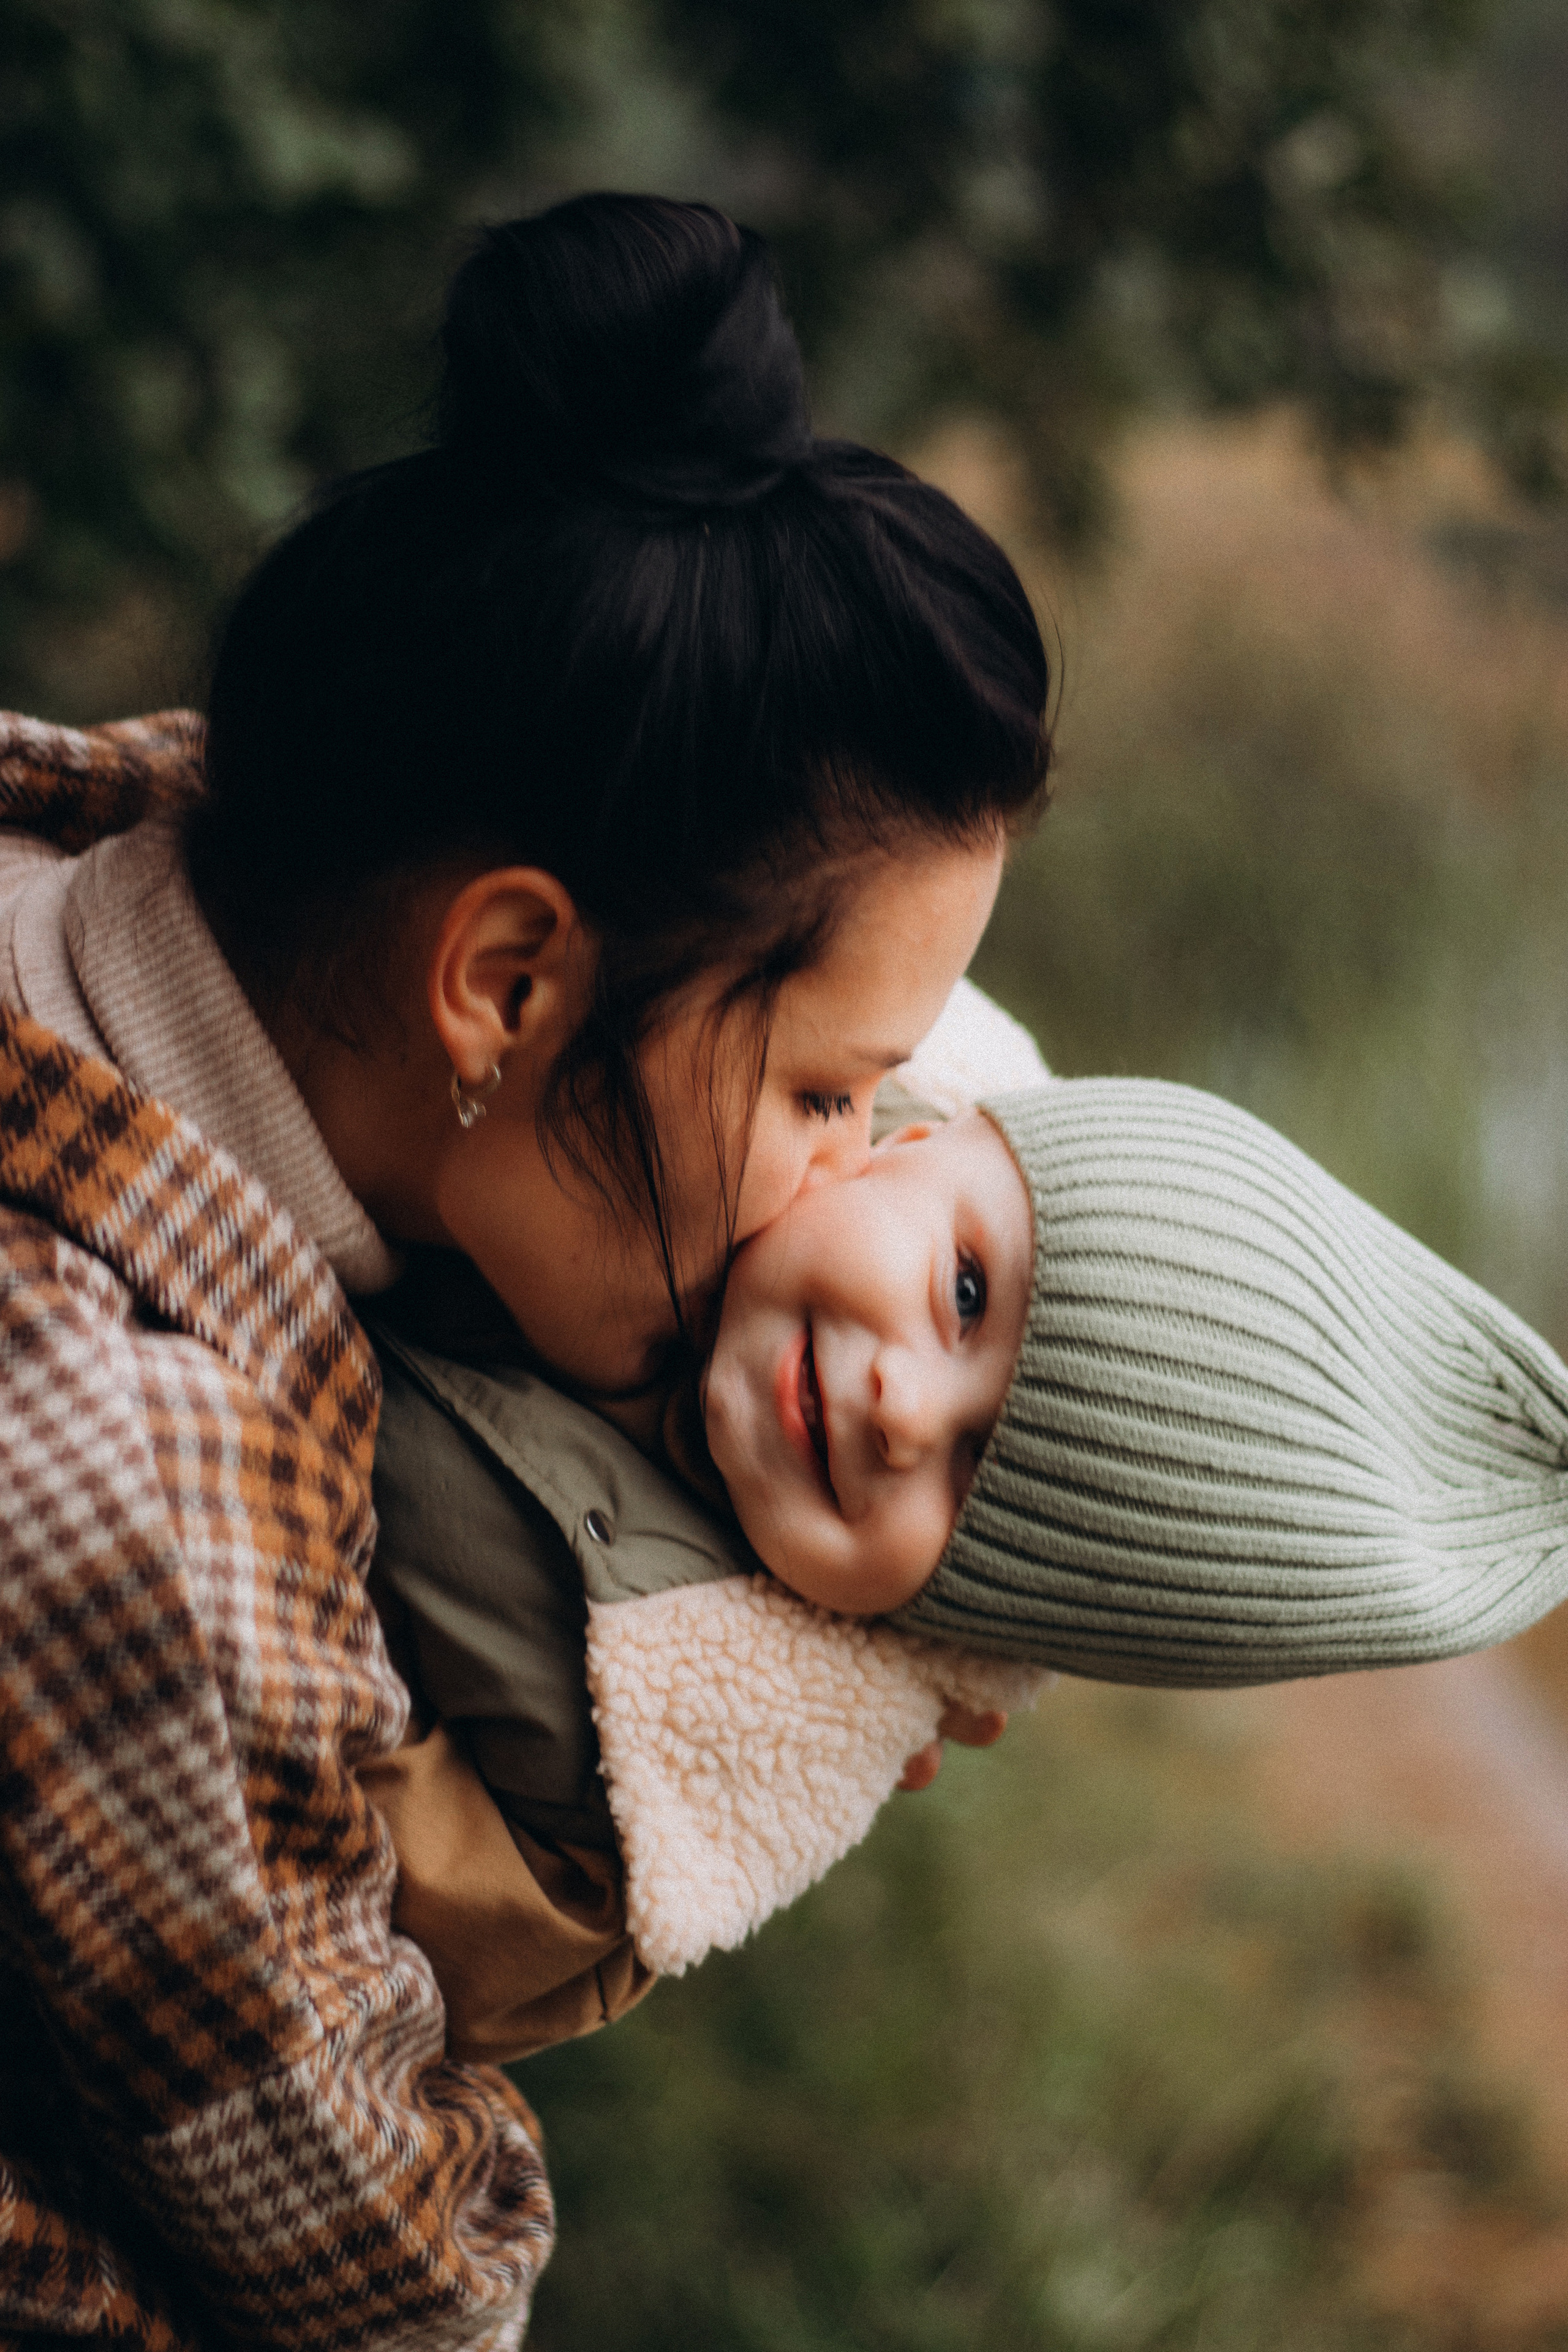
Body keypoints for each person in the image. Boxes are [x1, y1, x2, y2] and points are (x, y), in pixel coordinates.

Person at [0, 190, 1052, 2350]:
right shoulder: (118, 1462)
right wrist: (751, 1761)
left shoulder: (135, 880)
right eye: (828, 1094)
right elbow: (394, 2288)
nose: (825, 1191)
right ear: (503, 977)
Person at [371, 1068, 1568, 1986]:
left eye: (969, 1475)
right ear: (895, 1142)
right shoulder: (694, 1053)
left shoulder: (627, 1772)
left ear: (933, 1622)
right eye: (963, 1294)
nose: (903, 1408)